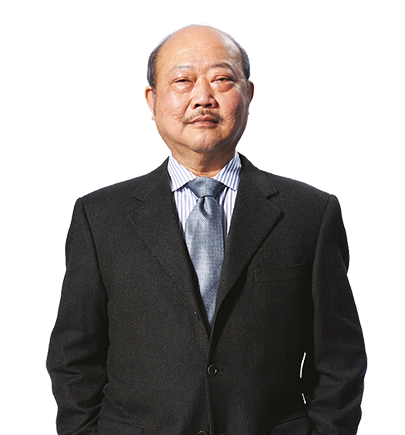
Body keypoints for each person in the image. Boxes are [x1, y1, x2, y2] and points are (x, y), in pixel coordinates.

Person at [47, 25, 367, 435]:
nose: (203, 97)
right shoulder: (100, 217)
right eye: (182, 80)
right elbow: (74, 359)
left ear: (248, 94)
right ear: (152, 100)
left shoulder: (309, 213)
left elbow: (339, 358)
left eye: (221, 79)